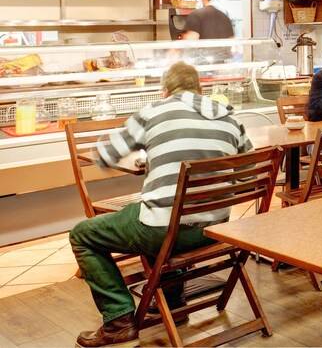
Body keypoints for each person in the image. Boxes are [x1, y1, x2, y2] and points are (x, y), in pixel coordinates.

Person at [69, 62, 252, 348]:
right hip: (216, 229)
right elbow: (248, 173)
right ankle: (172, 299)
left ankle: (118, 321)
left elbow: (105, 154)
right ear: (200, 89)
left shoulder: (153, 111)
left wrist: (148, 157)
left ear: (165, 90)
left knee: (83, 234)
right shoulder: (230, 119)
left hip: (166, 232)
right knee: (160, 214)